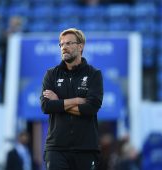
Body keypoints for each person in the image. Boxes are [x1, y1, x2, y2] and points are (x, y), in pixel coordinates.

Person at [40, 28, 104, 170]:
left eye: (69, 43)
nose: (64, 48)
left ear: (80, 46)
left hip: (86, 149)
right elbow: (46, 106)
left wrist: (59, 102)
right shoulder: (51, 74)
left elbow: (91, 108)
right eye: (61, 44)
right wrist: (75, 100)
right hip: (56, 149)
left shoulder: (94, 74)